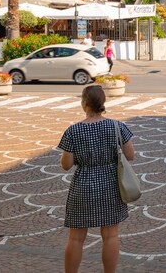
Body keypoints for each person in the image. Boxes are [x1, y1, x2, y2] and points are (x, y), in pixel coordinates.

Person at [60, 85, 135, 273]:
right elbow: (130, 155)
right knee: (110, 235)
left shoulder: (73, 131)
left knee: (76, 238)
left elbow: (66, 164)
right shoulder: (117, 126)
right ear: (103, 103)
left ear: (84, 104)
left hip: (83, 184)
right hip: (111, 183)